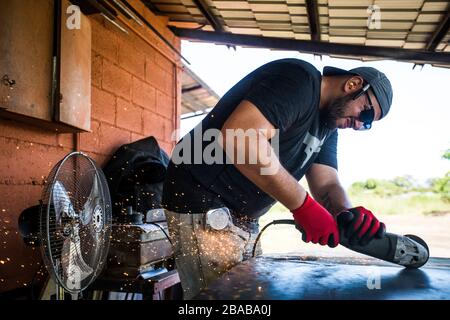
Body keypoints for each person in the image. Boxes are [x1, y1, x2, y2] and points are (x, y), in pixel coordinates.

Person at [162, 58, 393, 299]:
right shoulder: (299, 80)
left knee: (247, 298)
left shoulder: (327, 125)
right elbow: (240, 138)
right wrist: (303, 206)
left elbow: (327, 183)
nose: (360, 125)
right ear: (354, 84)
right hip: (203, 198)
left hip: (243, 216)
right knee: (223, 300)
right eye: (365, 114)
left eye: (367, 125)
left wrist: (346, 214)